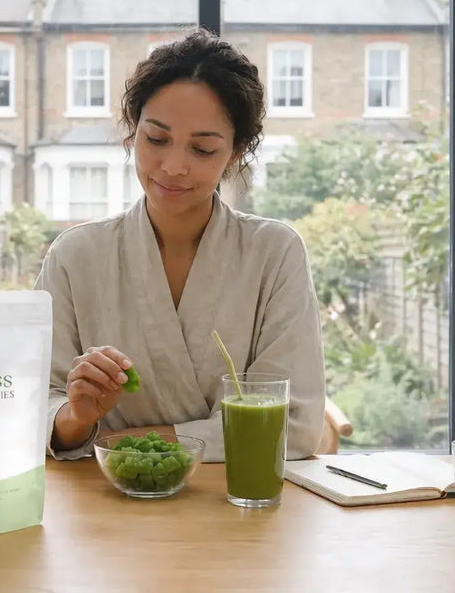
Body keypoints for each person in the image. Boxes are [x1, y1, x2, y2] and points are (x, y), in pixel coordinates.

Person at [36, 29, 326, 463]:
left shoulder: (274, 253)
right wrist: (76, 418)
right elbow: (35, 405)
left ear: (234, 154)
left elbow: (295, 426)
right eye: (155, 140)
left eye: (203, 149)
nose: (173, 167)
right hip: (103, 502)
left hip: (236, 504)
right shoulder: (75, 256)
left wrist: (127, 441)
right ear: (132, 133)